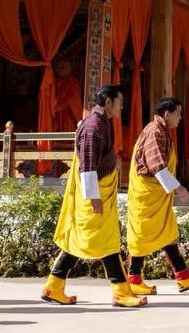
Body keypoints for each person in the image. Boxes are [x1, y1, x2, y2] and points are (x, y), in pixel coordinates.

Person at [42, 85, 145, 308]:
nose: (121, 107)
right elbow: (88, 166)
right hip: (94, 194)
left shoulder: (101, 122)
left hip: (99, 190)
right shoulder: (93, 126)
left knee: (81, 241)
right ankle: (121, 292)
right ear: (108, 102)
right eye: (119, 102)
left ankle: (54, 286)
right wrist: (94, 198)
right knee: (106, 242)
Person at [124, 98, 189, 295]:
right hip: (146, 195)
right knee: (140, 236)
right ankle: (133, 279)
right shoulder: (155, 132)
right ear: (167, 114)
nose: (180, 117)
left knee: (168, 233)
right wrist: (178, 187)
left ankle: (183, 276)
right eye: (178, 113)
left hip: (155, 195)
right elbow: (156, 165)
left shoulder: (161, 131)